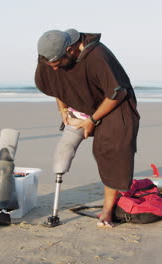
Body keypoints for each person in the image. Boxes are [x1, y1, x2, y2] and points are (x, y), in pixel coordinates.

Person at [35, 29, 140, 227]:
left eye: (57, 65)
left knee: (111, 151)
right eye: (51, 65)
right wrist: (63, 109)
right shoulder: (50, 56)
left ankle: (107, 211)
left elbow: (117, 93)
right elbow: (57, 84)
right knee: (65, 149)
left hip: (114, 103)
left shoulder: (97, 56)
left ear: (70, 50)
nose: (54, 69)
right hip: (81, 102)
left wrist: (92, 120)